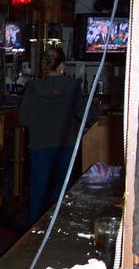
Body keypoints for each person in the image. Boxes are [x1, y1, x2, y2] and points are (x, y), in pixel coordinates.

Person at [19, 47, 97, 224]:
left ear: (44, 65)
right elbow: (85, 113)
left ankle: (32, 236)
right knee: (61, 191)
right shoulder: (73, 86)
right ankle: (56, 231)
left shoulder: (33, 87)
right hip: (65, 144)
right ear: (62, 65)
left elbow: (24, 118)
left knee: (37, 192)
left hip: (40, 145)